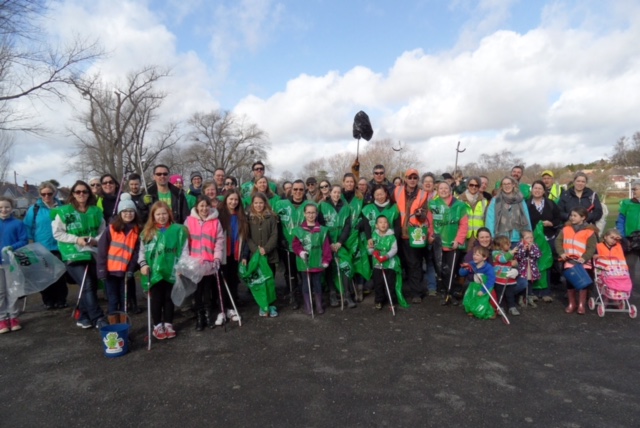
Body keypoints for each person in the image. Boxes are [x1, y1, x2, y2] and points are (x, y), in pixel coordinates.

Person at [52, 180, 107, 329]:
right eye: (78, 192)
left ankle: (83, 316)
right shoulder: (64, 211)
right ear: (73, 194)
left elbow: (103, 230)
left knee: (89, 285)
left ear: (89, 194)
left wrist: (96, 240)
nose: (81, 194)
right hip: (72, 253)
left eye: (84, 191)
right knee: (87, 283)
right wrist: (76, 239)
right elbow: (57, 233)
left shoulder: (96, 211)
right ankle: (98, 317)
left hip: (91, 251)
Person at [139, 201, 188, 339]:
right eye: (158, 214)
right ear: (153, 216)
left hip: (172, 270)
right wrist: (143, 264)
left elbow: (184, 249)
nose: (161, 217)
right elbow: (142, 252)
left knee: (169, 298)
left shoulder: (178, 230)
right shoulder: (147, 232)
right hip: (154, 272)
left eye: (164, 213)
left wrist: (181, 266)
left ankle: (168, 323)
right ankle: (157, 325)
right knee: (156, 299)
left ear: (169, 214)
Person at [23, 182, 68, 310]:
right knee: (44, 276)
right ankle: (48, 300)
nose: (47, 196)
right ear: (40, 194)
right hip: (41, 247)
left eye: (49, 193)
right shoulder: (34, 209)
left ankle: (61, 300)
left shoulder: (62, 207)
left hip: (60, 246)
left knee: (59, 275)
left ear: (54, 193)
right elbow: (28, 227)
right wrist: (30, 244)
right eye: (44, 194)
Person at [96, 194, 140, 323]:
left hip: (125, 272)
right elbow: (102, 251)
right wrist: (101, 270)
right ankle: (113, 328)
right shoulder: (111, 229)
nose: (128, 214)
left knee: (124, 301)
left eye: (131, 211)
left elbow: (136, 253)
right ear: (120, 213)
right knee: (113, 301)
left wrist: (131, 269)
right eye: (125, 211)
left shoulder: (137, 230)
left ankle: (123, 328)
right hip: (110, 272)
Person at [185, 195, 225, 330]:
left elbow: (219, 241)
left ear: (210, 206)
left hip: (209, 263)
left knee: (207, 291)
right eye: (201, 205)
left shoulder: (215, 222)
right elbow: (184, 242)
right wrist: (185, 260)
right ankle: (199, 318)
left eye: (206, 205)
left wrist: (217, 257)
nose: (204, 208)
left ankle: (208, 317)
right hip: (194, 263)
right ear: (197, 206)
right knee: (197, 292)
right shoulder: (189, 221)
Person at [394, 168, 430, 303]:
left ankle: (416, 293)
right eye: (410, 177)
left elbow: (424, 216)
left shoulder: (422, 194)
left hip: (414, 235)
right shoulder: (396, 191)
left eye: (415, 178)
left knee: (414, 265)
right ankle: (397, 293)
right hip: (397, 234)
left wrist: (421, 215)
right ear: (405, 179)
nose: (412, 180)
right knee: (398, 265)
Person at [429, 181, 468, 305]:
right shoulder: (433, 204)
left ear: (450, 190)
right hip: (438, 243)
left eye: (446, 188)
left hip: (453, 243)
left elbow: (464, 224)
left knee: (451, 270)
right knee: (440, 270)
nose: (443, 190)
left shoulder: (460, 205)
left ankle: (450, 293)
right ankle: (446, 292)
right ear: (437, 190)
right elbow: (429, 223)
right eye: (441, 188)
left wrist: (458, 240)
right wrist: (430, 236)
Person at [275, 179, 311, 309]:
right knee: (290, 272)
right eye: (295, 189)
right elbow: (276, 223)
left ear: (304, 191)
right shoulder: (281, 204)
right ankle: (293, 295)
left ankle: (306, 294)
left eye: (301, 189)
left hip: (304, 245)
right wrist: (281, 238)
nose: (298, 192)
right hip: (287, 245)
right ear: (291, 190)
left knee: (304, 271)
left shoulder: (309, 205)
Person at [318, 185, 356, 308]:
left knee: (345, 265)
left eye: (339, 192)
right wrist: (329, 243)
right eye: (334, 192)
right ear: (330, 193)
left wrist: (339, 242)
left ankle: (347, 294)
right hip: (327, 243)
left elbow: (347, 227)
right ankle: (332, 294)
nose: (336, 194)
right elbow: (321, 225)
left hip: (341, 244)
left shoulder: (346, 208)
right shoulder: (323, 206)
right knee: (329, 268)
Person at [555, 206, 598, 315]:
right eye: (571, 215)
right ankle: (572, 303)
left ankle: (581, 304)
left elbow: (591, 247)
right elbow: (558, 242)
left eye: (575, 216)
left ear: (583, 217)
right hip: (569, 260)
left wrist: (585, 257)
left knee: (583, 283)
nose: (572, 217)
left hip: (583, 262)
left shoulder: (589, 231)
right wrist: (562, 253)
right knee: (570, 282)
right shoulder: (565, 229)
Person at [292, 203, 332, 316]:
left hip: (317, 261)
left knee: (317, 284)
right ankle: (308, 305)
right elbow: (295, 245)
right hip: (304, 262)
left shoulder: (323, 230)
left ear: (316, 214)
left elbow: (326, 247)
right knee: (306, 284)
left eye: (313, 212)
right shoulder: (299, 230)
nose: (311, 215)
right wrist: (300, 252)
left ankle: (319, 304)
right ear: (304, 214)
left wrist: (326, 260)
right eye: (308, 212)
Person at [244, 192, 279, 317]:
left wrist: (266, 248)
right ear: (252, 204)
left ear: (265, 203)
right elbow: (247, 236)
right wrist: (256, 249)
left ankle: (271, 305)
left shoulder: (272, 217)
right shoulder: (248, 218)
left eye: (261, 203)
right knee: (259, 282)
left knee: (269, 281)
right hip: (256, 256)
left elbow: (275, 235)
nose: (258, 205)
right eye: (256, 203)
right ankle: (262, 305)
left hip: (269, 255)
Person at [527, 180, 562, 302]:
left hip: (548, 238)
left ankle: (546, 291)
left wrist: (551, 223)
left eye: (540, 188)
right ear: (532, 190)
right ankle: (533, 291)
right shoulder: (526, 204)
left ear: (544, 191)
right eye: (535, 188)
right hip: (532, 239)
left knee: (546, 264)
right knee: (532, 264)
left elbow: (559, 218)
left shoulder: (550, 204)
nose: (537, 190)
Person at [218, 189, 249, 321]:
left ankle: (231, 308)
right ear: (226, 200)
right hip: (223, 253)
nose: (233, 202)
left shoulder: (242, 216)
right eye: (231, 199)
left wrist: (244, 256)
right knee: (221, 281)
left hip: (236, 253)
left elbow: (246, 237)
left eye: (236, 199)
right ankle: (222, 309)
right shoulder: (219, 215)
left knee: (233, 281)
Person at [0, 196, 28, 333]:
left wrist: (12, 247)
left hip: (11, 262)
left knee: (12, 291)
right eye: (1, 207)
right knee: (0, 292)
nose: (4, 210)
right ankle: (2, 319)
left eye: (6, 207)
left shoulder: (18, 224)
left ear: (12, 208)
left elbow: (23, 241)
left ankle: (13, 317)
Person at [368, 215, 407, 310]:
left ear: (388, 224)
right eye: (380, 222)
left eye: (385, 222)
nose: (383, 224)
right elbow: (369, 249)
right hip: (377, 264)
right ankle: (379, 301)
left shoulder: (392, 236)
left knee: (390, 283)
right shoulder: (373, 236)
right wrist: (373, 251)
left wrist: (387, 256)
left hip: (390, 264)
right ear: (376, 225)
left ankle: (391, 301)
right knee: (378, 283)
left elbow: (394, 249)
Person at [342, 173, 370, 301]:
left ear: (355, 183)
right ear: (343, 183)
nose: (349, 184)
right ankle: (349, 290)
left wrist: (360, 225)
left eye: (351, 182)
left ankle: (360, 289)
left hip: (358, 235)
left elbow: (365, 216)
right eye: (347, 182)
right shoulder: (339, 197)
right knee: (348, 262)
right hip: (343, 235)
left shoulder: (360, 198)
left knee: (359, 262)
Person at [485, 176, 532, 247]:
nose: (507, 186)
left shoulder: (520, 200)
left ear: (513, 185)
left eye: (509, 184)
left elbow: (526, 218)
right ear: (501, 186)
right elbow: (490, 219)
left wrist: (528, 236)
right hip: (500, 238)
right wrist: (490, 236)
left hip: (517, 238)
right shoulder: (495, 200)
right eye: (504, 184)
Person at [459, 246, 496, 319]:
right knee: (470, 297)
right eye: (474, 254)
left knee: (481, 299)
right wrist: (465, 269)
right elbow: (461, 273)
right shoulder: (471, 264)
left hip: (484, 286)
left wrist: (483, 291)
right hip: (474, 285)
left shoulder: (488, 267)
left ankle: (487, 312)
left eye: (477, 255)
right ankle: (471, 309)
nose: (474, 256)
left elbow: (491, 280)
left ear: (484, 258)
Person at [492, 235, 525, 316]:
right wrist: (511, 254)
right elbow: (502, 259)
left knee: (510, 294)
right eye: (507, 243)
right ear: (500, 245)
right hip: (499, 279)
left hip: (509, 279)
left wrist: (515, 262)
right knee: (500, 294)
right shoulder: (495, 253)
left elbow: (514, 262)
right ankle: (500, 307)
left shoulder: (509, 252)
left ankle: (512, 307)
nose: (510, 245)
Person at [616, 181, 640, 290]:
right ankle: (628, 289)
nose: (634, 191)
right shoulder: (626, 203)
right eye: (633, 189)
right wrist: (621, 234)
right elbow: (620, 220)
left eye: (636, 189)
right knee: (629, 265)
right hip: (630, 240)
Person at [457, 176, 488, 251]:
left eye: (476, 185)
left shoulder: (484, 201)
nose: (474, 187)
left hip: (478, 238)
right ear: (467, 185)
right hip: (463, 236)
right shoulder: (459, 200)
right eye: (471, 185)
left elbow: (486, 220)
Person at [513, 230, 540, 308]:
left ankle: (529, 297)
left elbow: (538, 255)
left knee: (530, 283)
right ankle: (521, 297)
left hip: (531, 268)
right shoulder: (519, 245)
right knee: (523, 282)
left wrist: (531, 249)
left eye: (531, 237)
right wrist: (524, 249)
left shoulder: (535, 245)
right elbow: (518, 257)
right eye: (527, 238)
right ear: (522, 239)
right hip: (523, 268)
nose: (530, 239)